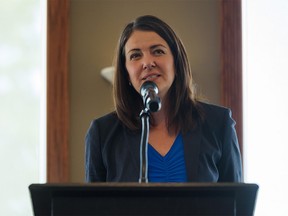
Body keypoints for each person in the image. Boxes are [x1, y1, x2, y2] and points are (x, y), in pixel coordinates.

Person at [85, 15, 242, 182]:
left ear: (176, 62)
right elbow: (93, 207)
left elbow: (235, 205)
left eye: (157, 51)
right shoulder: (103, 133)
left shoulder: (218, 124)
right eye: (135, 56)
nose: (147, 63)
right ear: (126, 72)